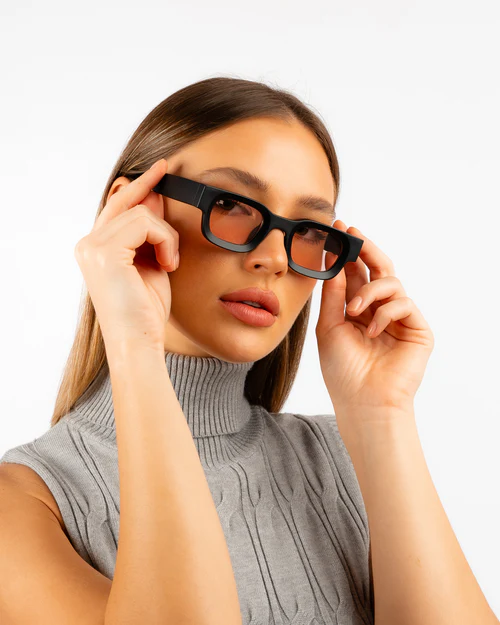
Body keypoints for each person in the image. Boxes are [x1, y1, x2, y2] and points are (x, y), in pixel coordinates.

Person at [1, 77, 497, 625]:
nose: (276, 258)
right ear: (133, 209)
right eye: (232, 205)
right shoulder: (24, 503)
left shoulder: (343, 456)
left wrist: (381, 413)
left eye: (310, 230)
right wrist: (133, 343)